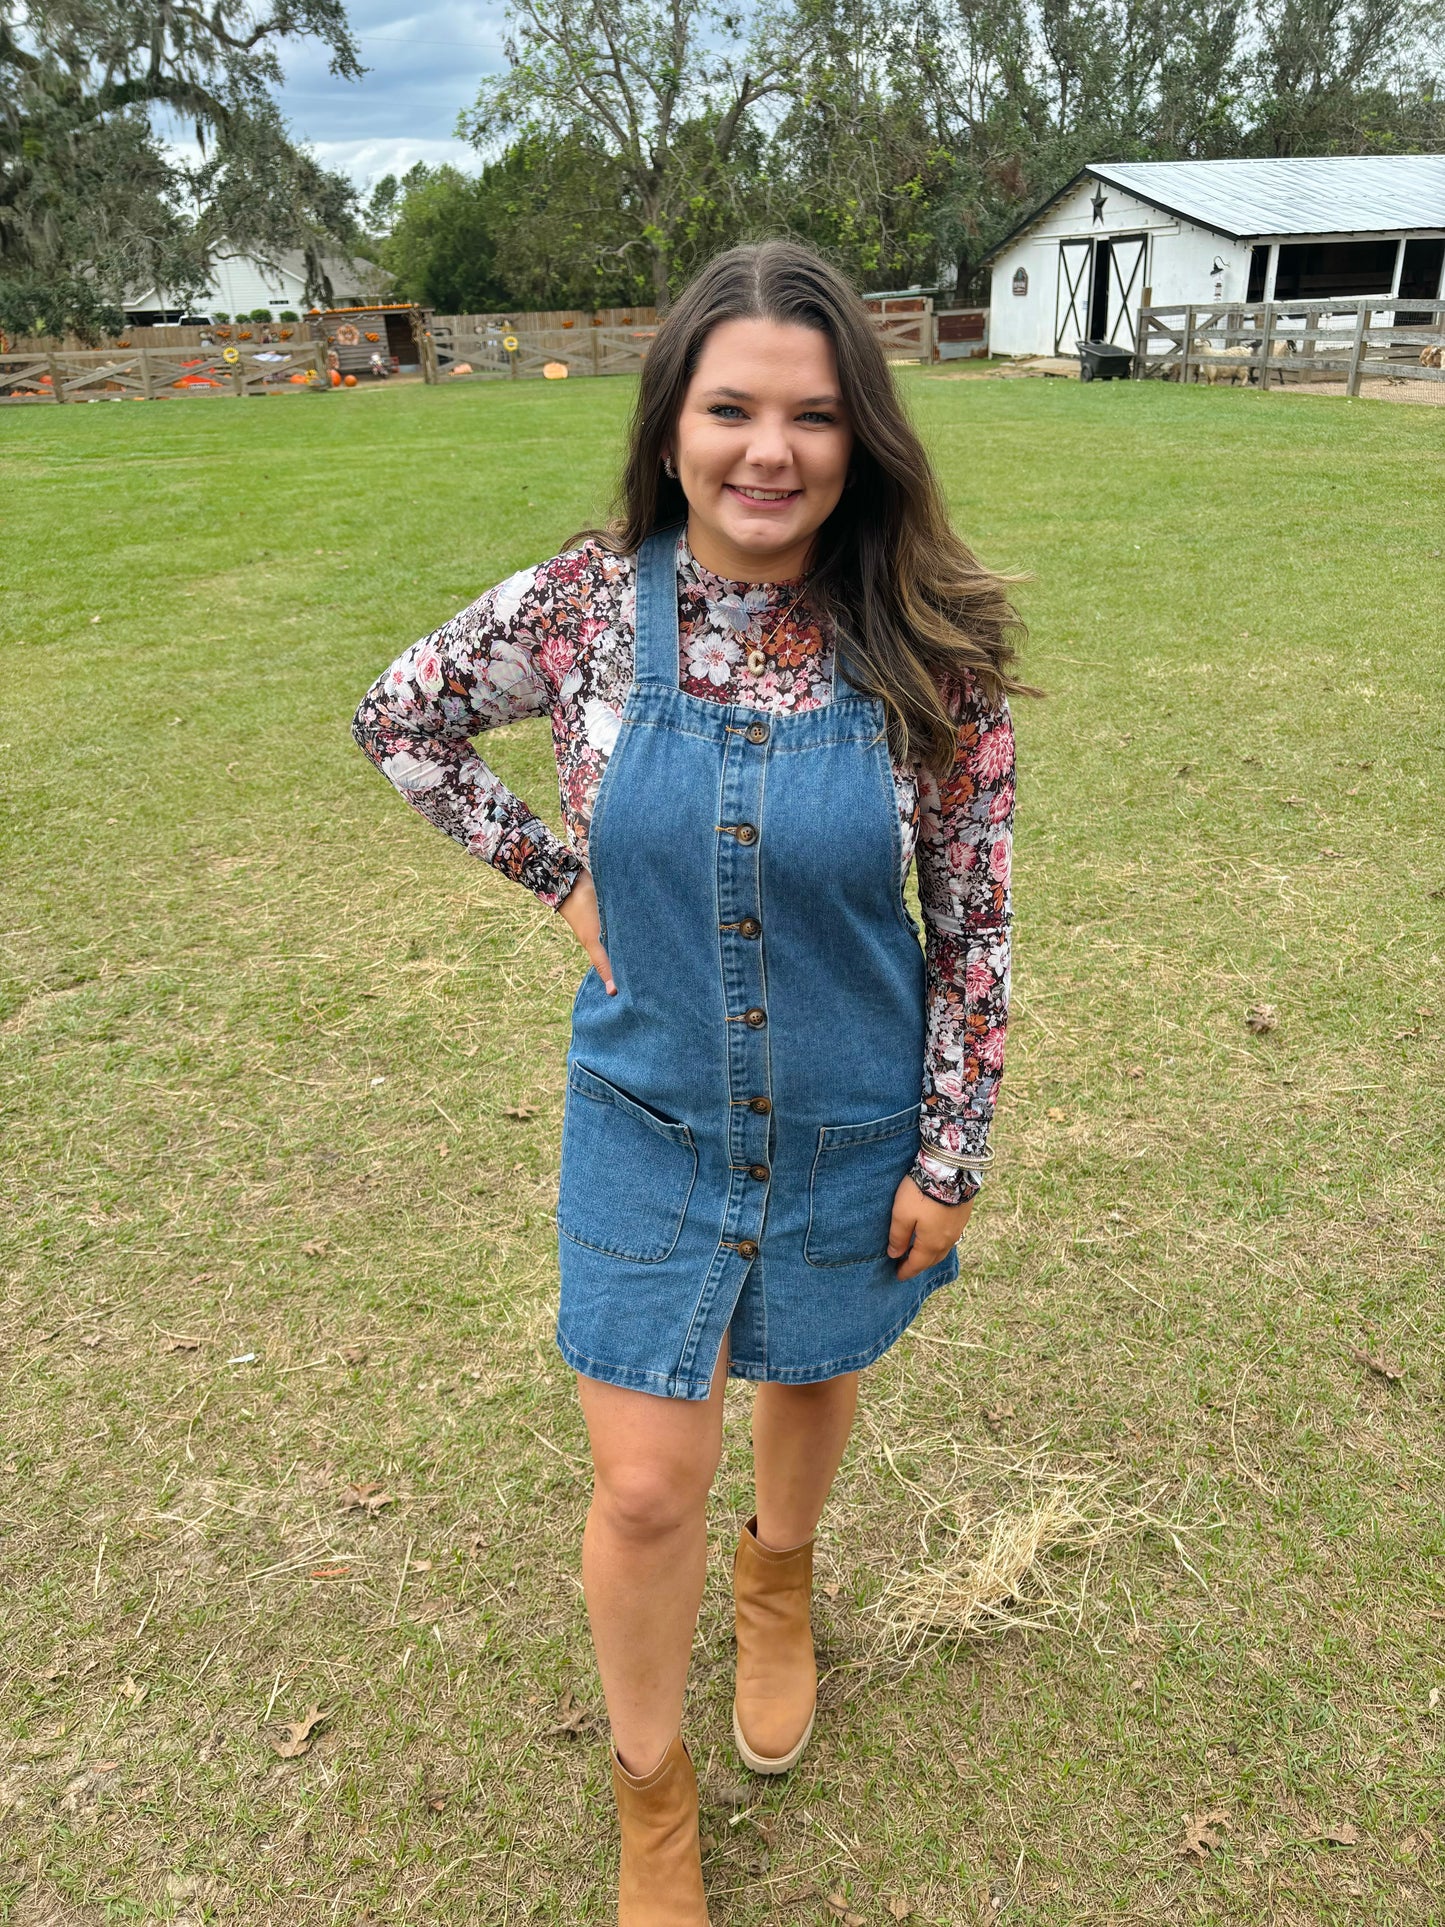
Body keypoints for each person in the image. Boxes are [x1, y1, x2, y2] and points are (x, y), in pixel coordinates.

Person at [351, 240, 1027, 1925]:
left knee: (812, 1363)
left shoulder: (932, 650)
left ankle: (781, 1580)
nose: (768, 450)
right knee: (647, 1485)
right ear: (670, 428)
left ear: (859, 440)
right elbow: (401, 722)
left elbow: (975, 917)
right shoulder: (580, 609)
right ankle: (651, 1796)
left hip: (852, 1113)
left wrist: (949, 1153)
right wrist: (555, 877)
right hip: (646, 1111)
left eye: (810, 415)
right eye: (731, 408)